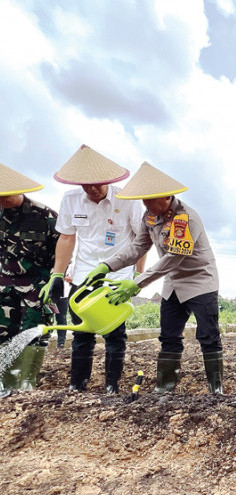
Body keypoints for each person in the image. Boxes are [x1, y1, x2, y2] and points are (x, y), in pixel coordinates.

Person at [84, 162, 223, 394]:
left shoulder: (185, 218)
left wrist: (136, 283)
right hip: (173, 285)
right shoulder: (150, 217)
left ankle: (215, 389)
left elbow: (173, 258)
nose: (146, 205)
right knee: (168, 336)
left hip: (201, 281)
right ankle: (165, 387)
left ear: (167, 197)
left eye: (150, 200)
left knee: (208, 336)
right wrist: (107, 265)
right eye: (143, 200)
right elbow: (138, 246)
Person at [40, 145, 145, 394]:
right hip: (84, 275)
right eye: (86, 185)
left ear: (108, 180)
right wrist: (57, 273)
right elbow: (67, 238)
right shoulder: (71, 200)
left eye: (97, 184)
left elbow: (142, 241)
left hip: (116, 277)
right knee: (82, 331)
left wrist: (138, 277)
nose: (92, 190)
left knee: (114, 333)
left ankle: (112, 385)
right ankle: (77, 384)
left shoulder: (126, 200)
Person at [0, 162, 59, 395]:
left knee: (34, 333)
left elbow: (62, 250)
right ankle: (6, 384)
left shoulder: (45, 216)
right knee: (3, 332)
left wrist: (55, 279)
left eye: (6, 195)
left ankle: (26, 385)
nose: (2, 199)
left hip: (37, 287)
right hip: (3, 286)